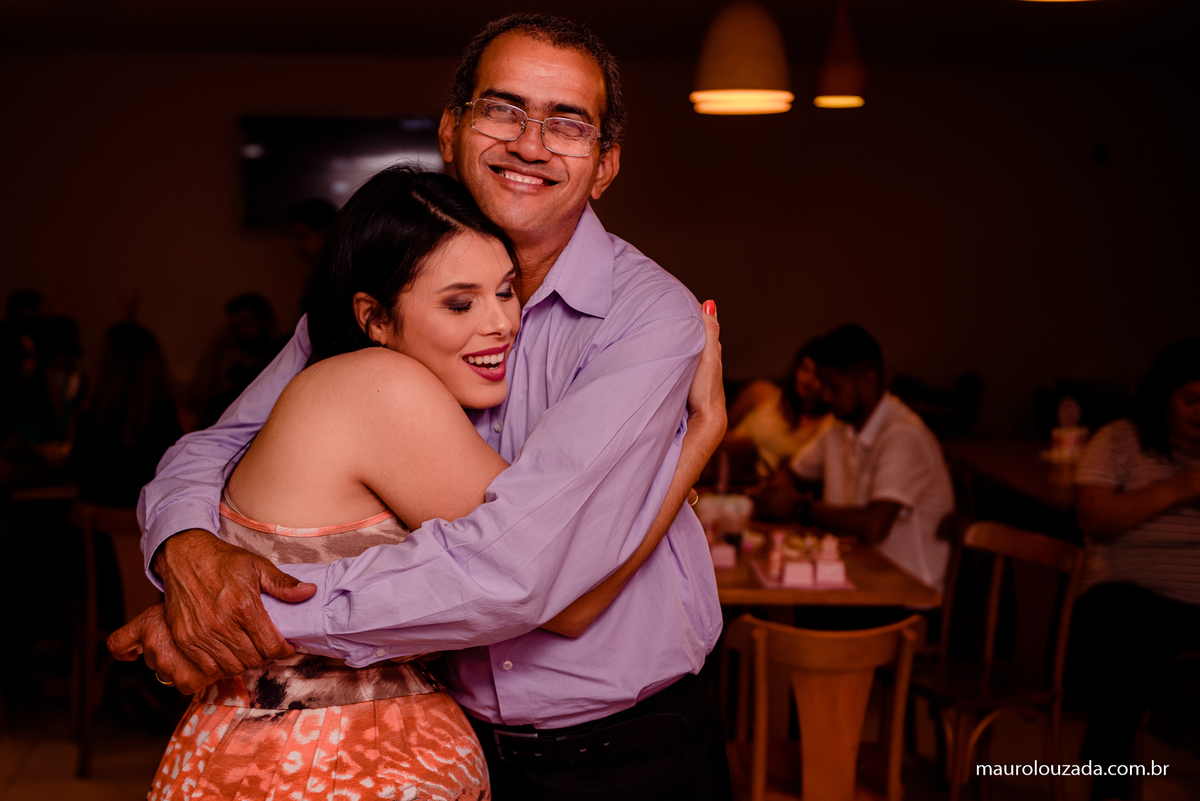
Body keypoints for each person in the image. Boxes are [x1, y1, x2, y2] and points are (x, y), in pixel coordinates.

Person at [113, 14, 731, 801]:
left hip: (626, 751)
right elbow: (218, 445)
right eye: (503, 109)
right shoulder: (381, 301)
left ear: (604, 165)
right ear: (451, 129)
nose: (531, 143)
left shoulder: (648, 319)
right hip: (443, 742)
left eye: (567, 124)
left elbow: (530, 575)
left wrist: (254, 629)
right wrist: (187, 546)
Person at [1071, 337, 1200, 801]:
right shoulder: (1121, 439)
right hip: (1130, 590)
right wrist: (1179, 487)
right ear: (1164, 395)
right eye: (1192, 400)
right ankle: (1110, 777)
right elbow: (1093, 518)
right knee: (1125, 633)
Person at [761, 324, 954, 591]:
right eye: (823, 387)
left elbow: (874, 525)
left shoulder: (902, 434)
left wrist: (799, 506)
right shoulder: (839, 427)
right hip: (853, 582)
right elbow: (792, 472)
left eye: (835, 388)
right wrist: (777, 492)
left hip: (907, 594)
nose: (826, 397)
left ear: (869, 380)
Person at [71, 322, 182, 507]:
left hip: (96, 527)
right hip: (149, 528)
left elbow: (78, 473)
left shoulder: (91, 418)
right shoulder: (166, 416)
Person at [726, 337, 828, 477]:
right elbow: (722, 431)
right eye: (804, 369)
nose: (808, 379)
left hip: (766, 489)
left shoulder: (825, 423)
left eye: (817, 375)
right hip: (727, 476)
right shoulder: (761, 392)